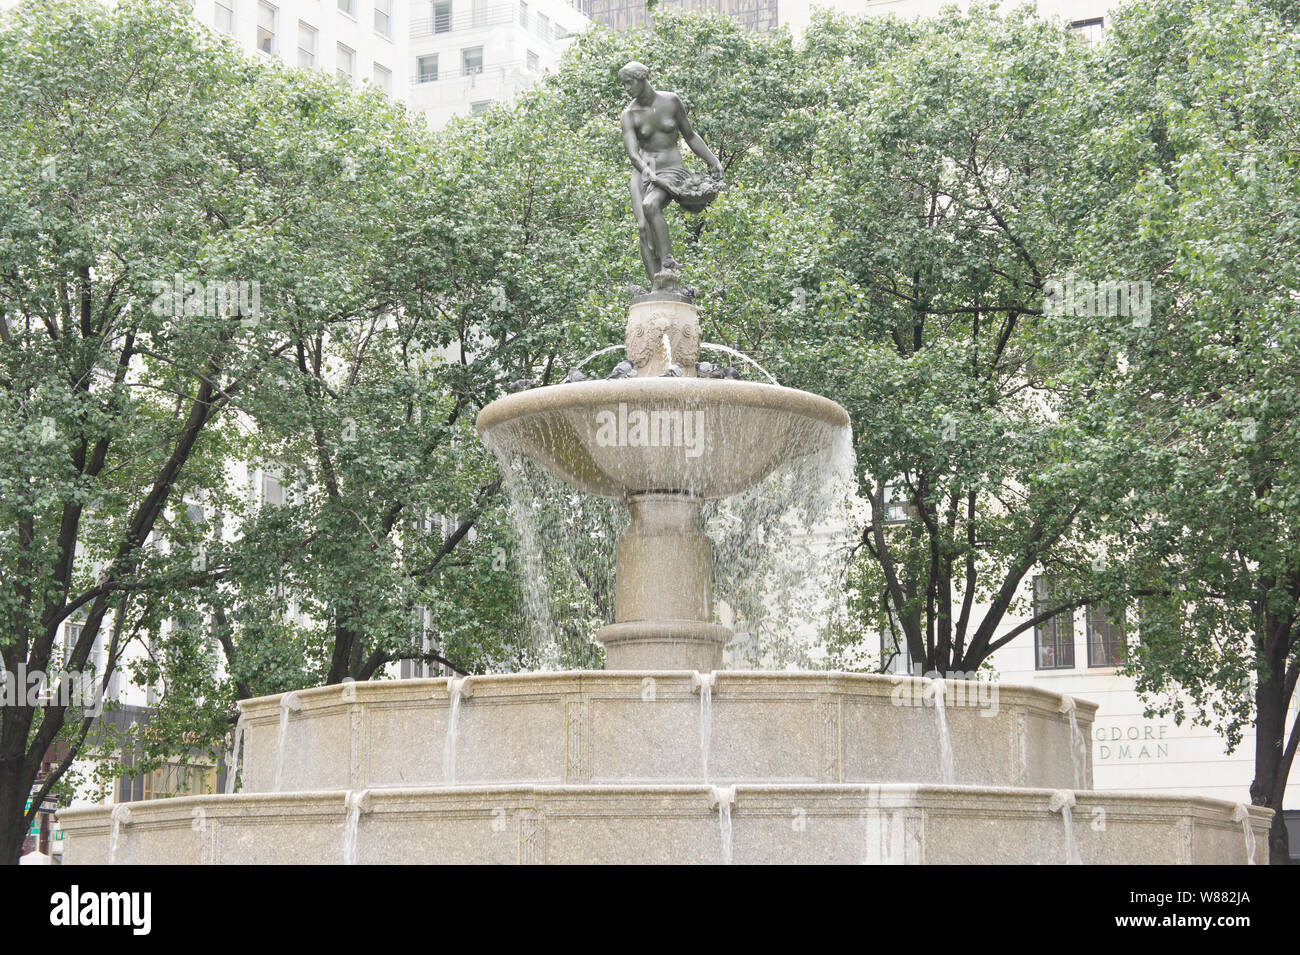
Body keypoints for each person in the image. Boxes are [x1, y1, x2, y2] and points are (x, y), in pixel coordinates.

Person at [619, 61, 725, 281]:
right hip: (644, 171)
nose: (626, 89)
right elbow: (633, 155)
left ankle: (668, 262)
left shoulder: (671, 101)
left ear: (641, 78)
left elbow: (691, 136)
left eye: (629, 83)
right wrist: (653, 178)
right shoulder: (629, 114)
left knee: (651, 205)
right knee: (642, 228)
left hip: (671, 169)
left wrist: (714, 161)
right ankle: (657, 286)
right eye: (624, 84)